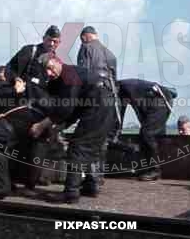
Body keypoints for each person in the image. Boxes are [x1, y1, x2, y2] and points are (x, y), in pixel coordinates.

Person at [29, 54, 116, 203]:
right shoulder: (63, 79)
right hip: (100, 104)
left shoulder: (69, 75)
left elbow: (66, 109)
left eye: (50, 68)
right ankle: (90, 186)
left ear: (58, 61)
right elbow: (72, 110)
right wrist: (59, 126)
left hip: (99, 104)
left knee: (78, 147)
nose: (49, 73)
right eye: (46, 72)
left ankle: (71, 193)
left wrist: (41, 125)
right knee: (91, 147)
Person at [76, 25, 120, 187]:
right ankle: (98, 177)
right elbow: (115, 80)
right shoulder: (110, 53)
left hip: (94, 95)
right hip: (110, 98)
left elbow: (83, 74)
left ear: (85, 37)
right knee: (102, 138)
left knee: (87, 138)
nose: (81, 42)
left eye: (82, 39)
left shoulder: (86, 47)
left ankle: (90, 180)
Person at [116, 78, 177, 181]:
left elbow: (119, 114)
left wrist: (116, 133)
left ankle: (154, 170)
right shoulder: (123, 87)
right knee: (149, 135)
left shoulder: (120, 89)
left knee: (147, 134)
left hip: (160, 99)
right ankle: (150, 168)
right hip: (154, 101)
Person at [5, 25, 61, 104]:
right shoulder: (29, 51)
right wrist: (16, 80)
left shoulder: (57, 63)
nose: (51, 44)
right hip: (21, 100)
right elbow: (9, 68)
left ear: (59, 43)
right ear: (44, 38)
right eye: (49, 40)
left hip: (42, 104)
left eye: (55, 41)